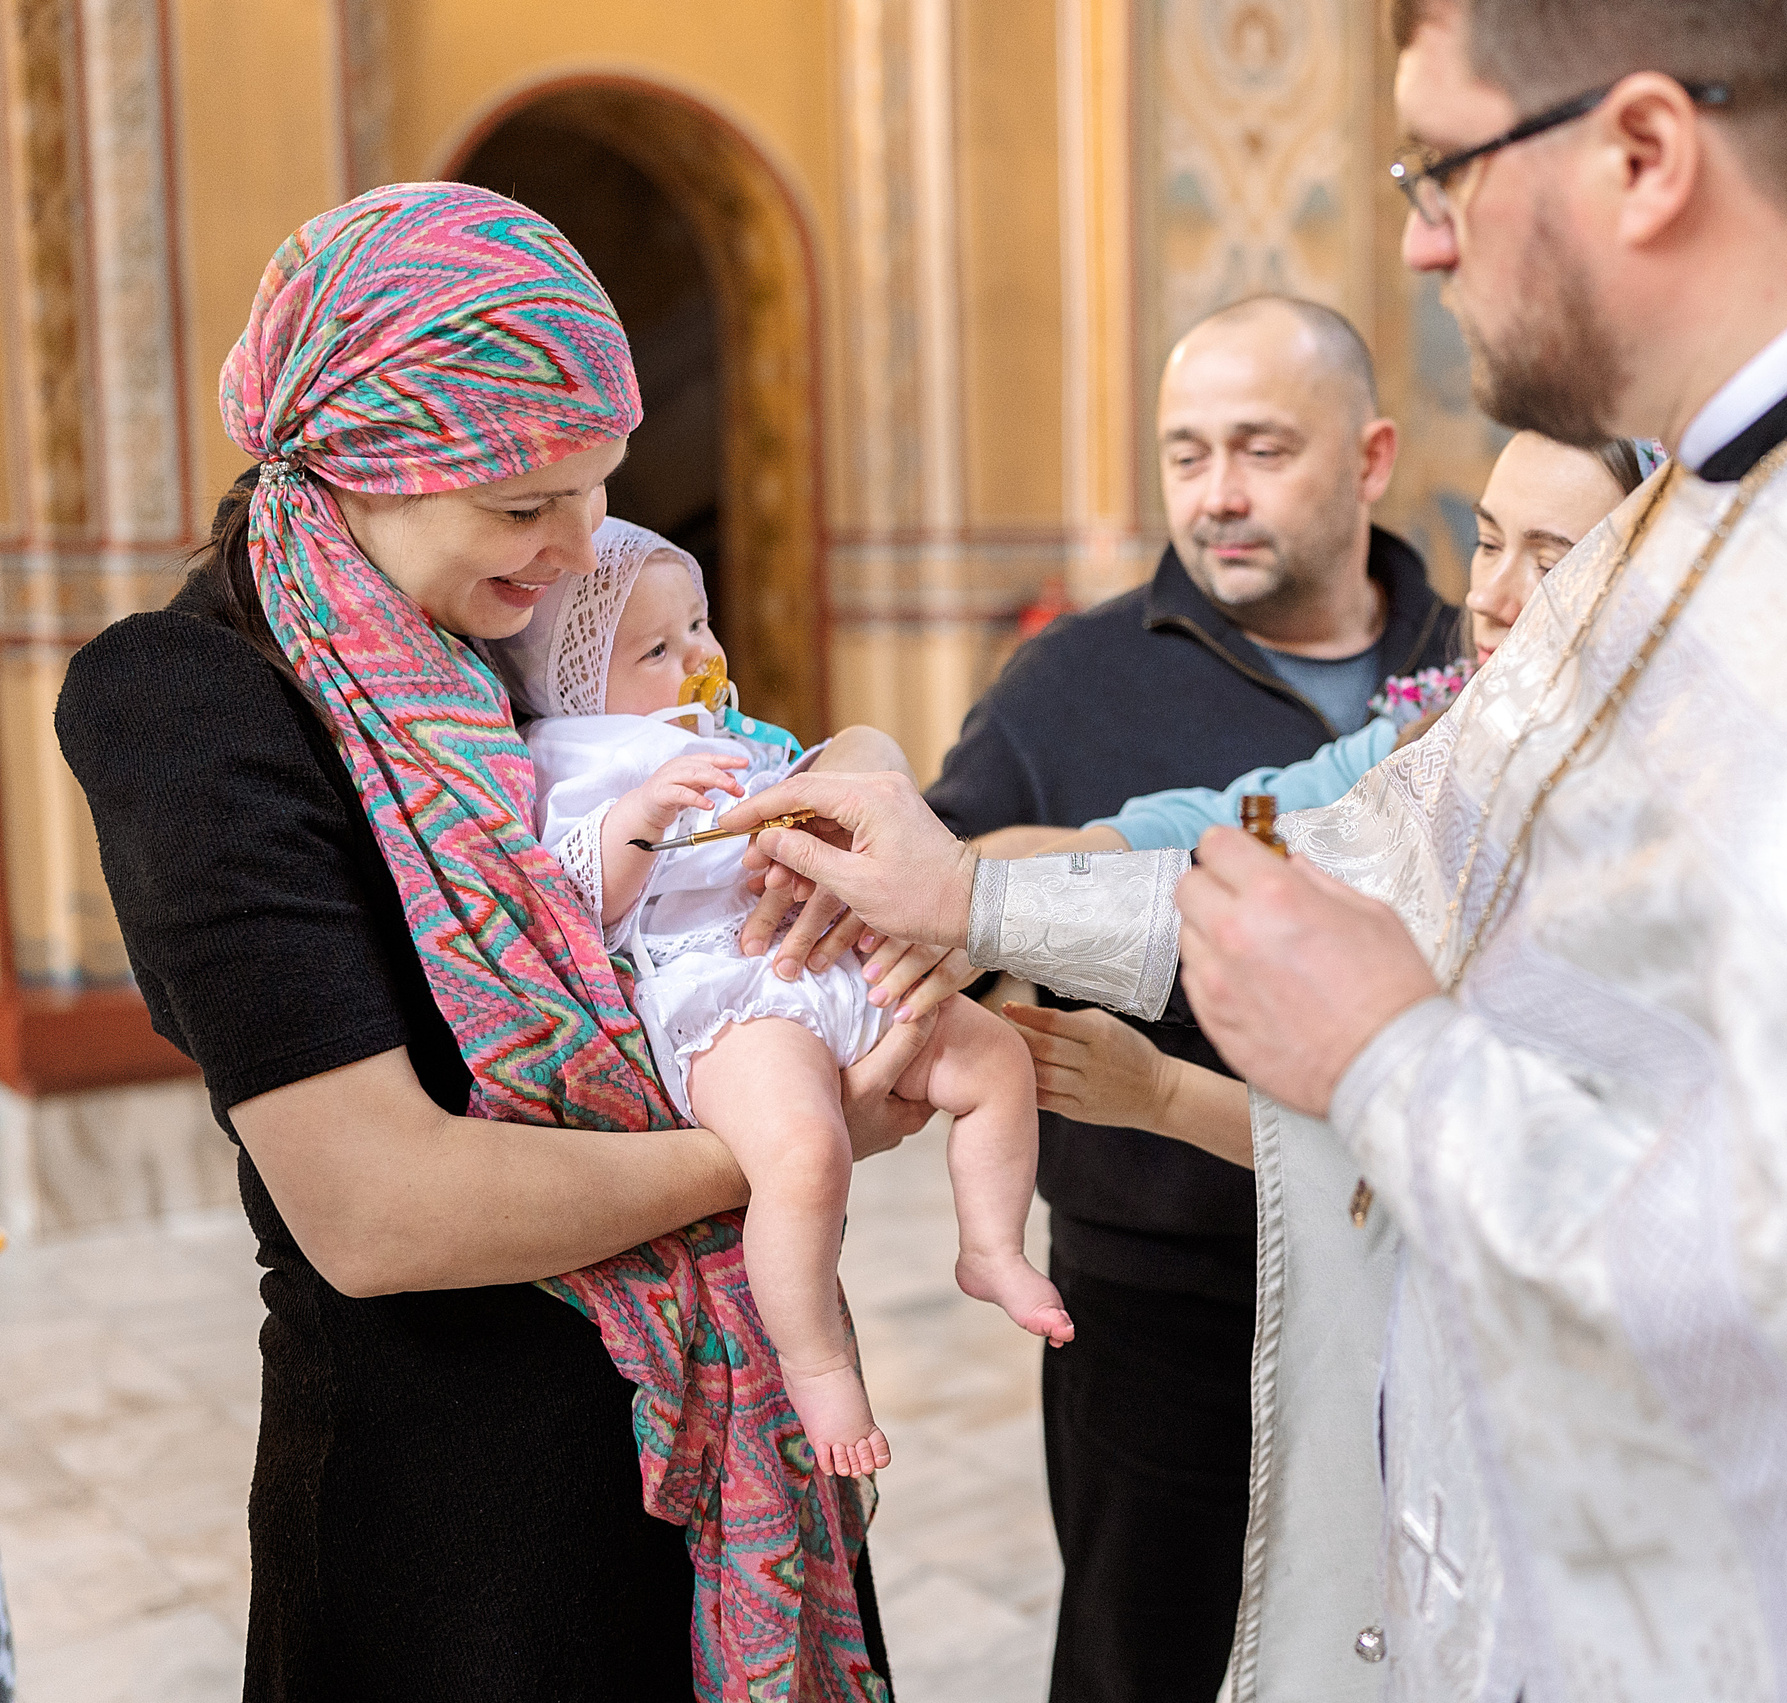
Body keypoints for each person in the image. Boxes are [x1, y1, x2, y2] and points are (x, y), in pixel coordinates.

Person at [728, 7, 1787, 1700]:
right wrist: (970, 889)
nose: (1419, 238)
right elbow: (1399, 845)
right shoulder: (1722, 508)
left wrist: (1391, 1062)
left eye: (1444, 166)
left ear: (1643, 154)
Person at [52, 183, 933, 1701]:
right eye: (523, 504)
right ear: (363, 462)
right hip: (466, 1525)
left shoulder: (482, 636)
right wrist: (794, 1142)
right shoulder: (194, 704)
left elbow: (722, 734)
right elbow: (383, 1208)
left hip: (722, 1439)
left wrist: (864, 761)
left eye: (595, 488)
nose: (579, 547)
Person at [926, 292, 1464, 1703]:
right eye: (1184, 453)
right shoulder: (1069, 682)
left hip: (1428, 1285)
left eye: (1261, 447)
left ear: (1369, 454)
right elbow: (947, 905)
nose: (1214, 495)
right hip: (1160, 1301)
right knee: (1145, 1660)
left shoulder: (1472, 670)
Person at [487, 517, 1067, 1478]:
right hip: (726, 1002)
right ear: (573, 682)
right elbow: (573, 895)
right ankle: (818, 1358)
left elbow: (836, 777)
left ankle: (992, 1245)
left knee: (994, 1056)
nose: (701, 656)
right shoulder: (572, 755)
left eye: (701, 626)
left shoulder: (727, 732)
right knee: (805, 1151)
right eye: (659, 648)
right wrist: (641, 813)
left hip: (829, 966)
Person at [1009, 430, 1655, 1163]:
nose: (1487, 596)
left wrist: (1162, 1093)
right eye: (1485, 542)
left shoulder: (1655, 832)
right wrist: (981, 892)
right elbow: (1241, 819)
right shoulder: (1433, 742)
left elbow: (1472, 1150)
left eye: (1551, 563)